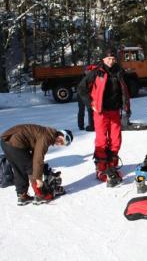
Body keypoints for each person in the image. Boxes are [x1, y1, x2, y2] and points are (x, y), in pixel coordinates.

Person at [77, 48, 130, 187]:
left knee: (116, 139)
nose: (111, 61)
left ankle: (112, 166)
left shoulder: (119, 71)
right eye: (108, 59)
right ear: (103, 59)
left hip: (115, 111)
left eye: (113, 59)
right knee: (101, 140)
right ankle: (101, 168)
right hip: (101, 112)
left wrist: (126, 107)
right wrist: (90, 103)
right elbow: (81, 89)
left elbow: (125, 90)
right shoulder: (96, 72)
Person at [0, 124, 73, 206]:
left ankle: (22, 196)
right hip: (15, 142)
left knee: (19, 169)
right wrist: (38, 178)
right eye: (63, 140)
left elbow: (35, 155)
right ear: (61, 134)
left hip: (6, 142)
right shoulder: (47, 137)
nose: (60, 143)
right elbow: (38, 158)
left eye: (63, 144)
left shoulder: (47, 134)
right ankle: (40, 194)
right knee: (31, 167)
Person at [77, 64, 96, 131]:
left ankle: (91, 125)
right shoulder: (83, 78)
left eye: (89, 70)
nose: (88, 71)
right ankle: (81, 125)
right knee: (83, 110)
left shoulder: (91, 77)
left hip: (86, 94)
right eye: (86, 70)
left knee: (90, 109)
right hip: (81, 94)